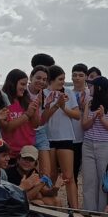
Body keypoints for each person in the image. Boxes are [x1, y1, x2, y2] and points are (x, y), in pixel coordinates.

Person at [41, 65, 81, 208]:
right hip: (48, 138)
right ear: (51, 80)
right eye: (60, 79)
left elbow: (77, 116)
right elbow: (42, 119)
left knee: (68, 177)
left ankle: (75, 212)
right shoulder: (43, 94)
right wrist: (56, 105)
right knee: (50, 176)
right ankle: (52, 208)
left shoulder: (68, 93)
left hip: (65, 137)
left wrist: (64, 107)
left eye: (64, 79)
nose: (63, 82)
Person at [80, 76, 108, 211]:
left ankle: (103, 213)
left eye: (91, 86)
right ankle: (89, 212)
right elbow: (84, 126)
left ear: (98, 88)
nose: (89, 88)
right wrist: (94, 118)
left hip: (106, 146)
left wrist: (102, 118)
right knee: (89, 181)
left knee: (104, 181)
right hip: (88, 144)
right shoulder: (89, 104)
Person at [0, 69, 40, 161]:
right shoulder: (3, 101)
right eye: (22, 84)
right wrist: (27, 115)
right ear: (12, 83)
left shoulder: (27, 101)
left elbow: (35, 125)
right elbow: (7, 127)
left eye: (26, 84)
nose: (25, 88)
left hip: (27, 150)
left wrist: (35, 110)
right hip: (9, 151)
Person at [27, 65, 52, 177]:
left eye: (44, 79)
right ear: (31, 77)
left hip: (40, 132)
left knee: (46, 172)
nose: (41, 81)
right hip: (25, 133)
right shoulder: (23, 93)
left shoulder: (45, 95)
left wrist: (47, 106)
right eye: (38, 78)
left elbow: (42, 121)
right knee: (28, 171)